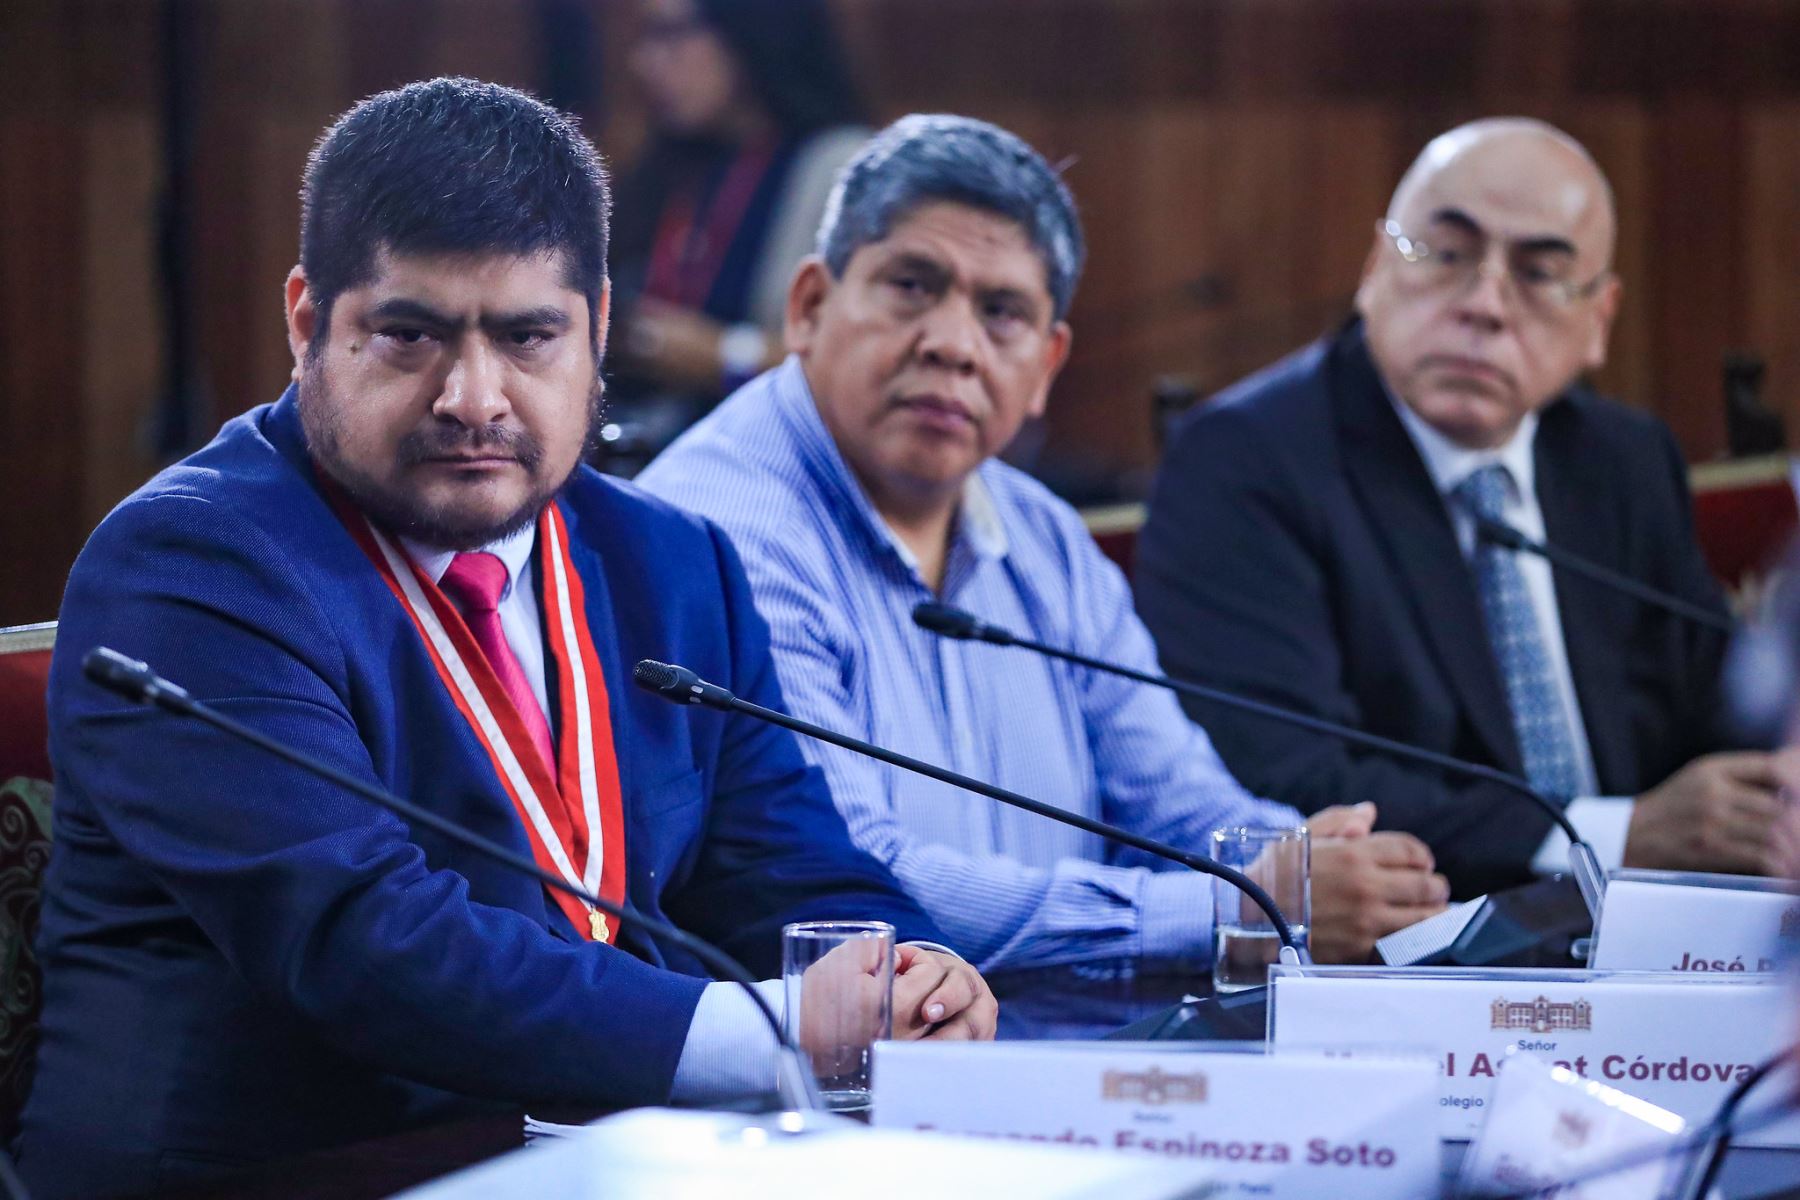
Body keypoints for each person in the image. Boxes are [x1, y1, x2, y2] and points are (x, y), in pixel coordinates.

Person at [20, 78, 992, 1199]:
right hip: (285, 1174)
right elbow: (361, 941)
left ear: (600, 332)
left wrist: (911, 976)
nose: (473, 397)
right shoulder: (194, 570)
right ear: (305, 323)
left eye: (529, 336)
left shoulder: (671, 563)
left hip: (616, 1161)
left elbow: (788, 863)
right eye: (409, 335)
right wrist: (776, 1031)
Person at [640, 114, 1450, 977]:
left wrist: (1306, 865)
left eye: (1002, 312)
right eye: (912, 285)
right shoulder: (725, 531)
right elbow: (853, 883)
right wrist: (1244, 909)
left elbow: (1172, 800)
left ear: (1045, 368)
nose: (952, 344)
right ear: (809, 307)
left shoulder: (1042, 536)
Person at [1135, 118, 1797, 899]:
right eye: (1446, 254)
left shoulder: (1621, 459)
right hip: (1404, 950)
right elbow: (1278, 770)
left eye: (1540, 271)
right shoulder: (1247, 461)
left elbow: (1713, 701)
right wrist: (1614, 834)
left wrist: (1776, 776)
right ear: (1376, 267)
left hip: (1655, 940)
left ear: (1599, 321)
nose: (1484, 303)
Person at [603, 0, 870, 466]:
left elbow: (858, 364)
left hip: (777, 463)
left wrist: (718, 354)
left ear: (753, 29)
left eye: (672, 34)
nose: (643, 63)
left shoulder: (839, 165)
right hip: (654, 449)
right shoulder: (671, 166)